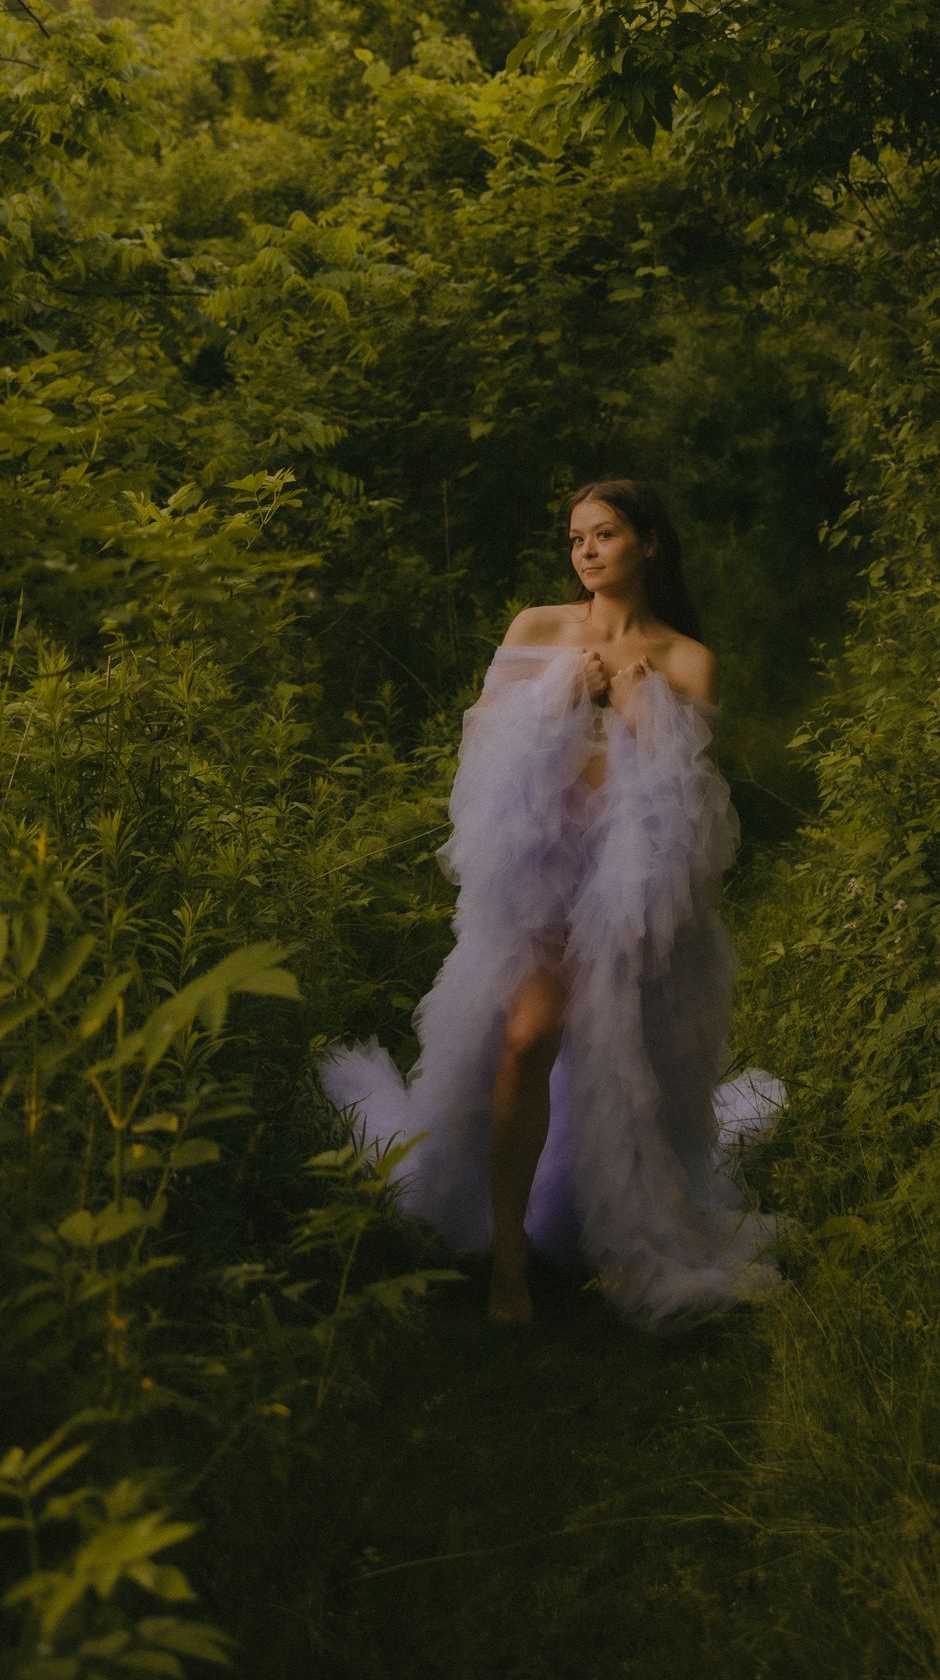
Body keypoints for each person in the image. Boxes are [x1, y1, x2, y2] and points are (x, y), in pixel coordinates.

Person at [321, 477, 782, 1326]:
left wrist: (641, 706)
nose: (586, 552)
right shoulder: (540, 628)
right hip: (541, 874)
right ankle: (508, 1262)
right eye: (576, 538)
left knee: (626, 1062)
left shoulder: (687, 659)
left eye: (604, 534)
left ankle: (603, 1226)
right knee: (527, 1037)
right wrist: (561, 691)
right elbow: (479, 749)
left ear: (649, 542)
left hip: (632, 885)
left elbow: (693, 808)